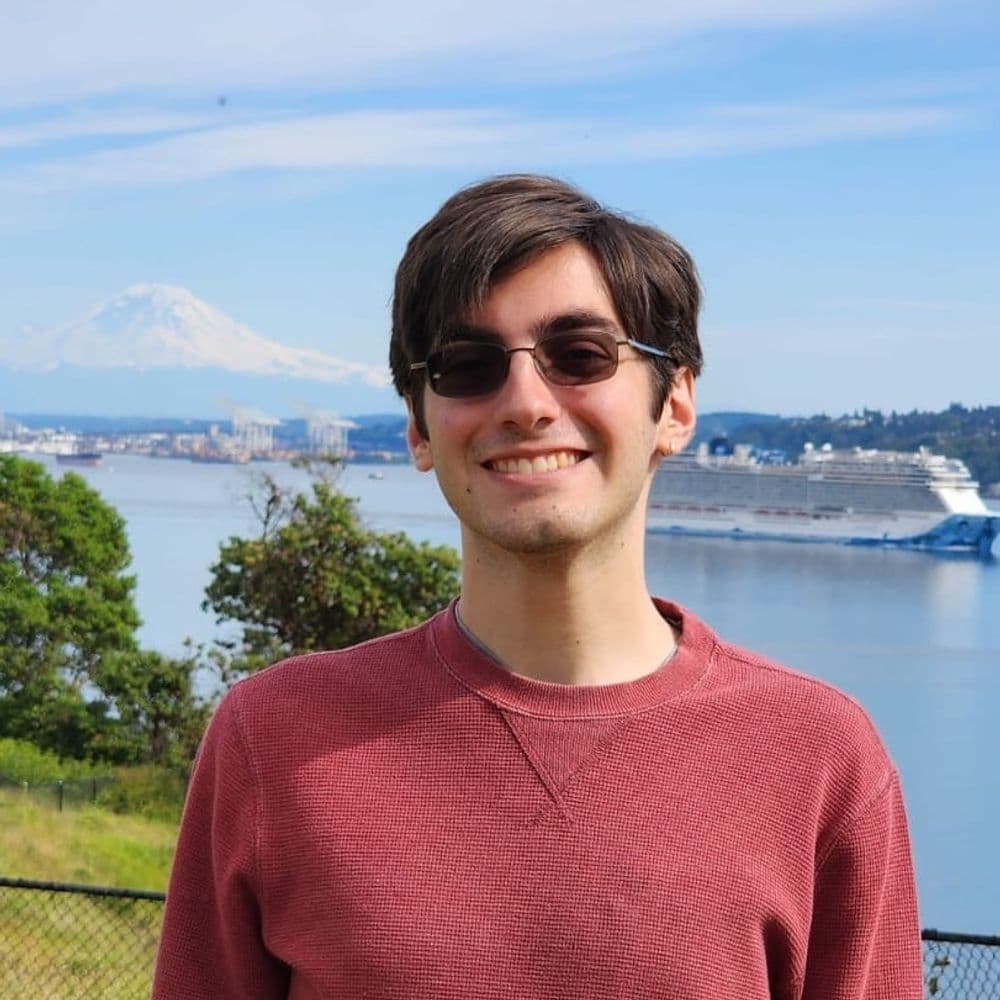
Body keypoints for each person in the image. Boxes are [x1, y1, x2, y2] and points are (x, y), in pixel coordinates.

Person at [153, 175, 923, 999]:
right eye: (466, 366)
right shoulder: (274, 740)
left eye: (581, 356)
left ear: (676, 403)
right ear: (418, 425)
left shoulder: (817, 756)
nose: (525, 403)